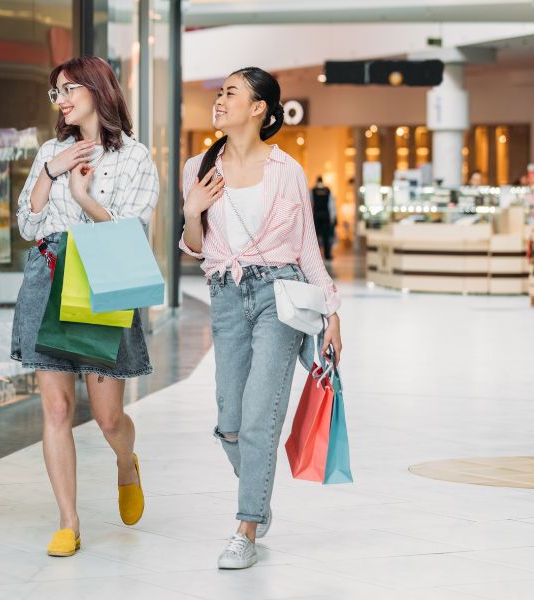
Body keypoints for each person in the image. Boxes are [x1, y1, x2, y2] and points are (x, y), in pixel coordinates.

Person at [180, 67, 342, 570]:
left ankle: (245, 528)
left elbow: (305, 247)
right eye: (220, 92)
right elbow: (192, 247)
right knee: (230, 422)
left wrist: (332, 309)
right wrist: (192, 209)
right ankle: (259, 493)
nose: (220, 100)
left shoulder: (286, 170)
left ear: (259, 109)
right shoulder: (199, 167)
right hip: (226, 297)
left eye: (231, 93)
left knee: (258, 418)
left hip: (280, 296)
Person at [12, 56, 159, 557]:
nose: (62, 98)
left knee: (108, 417)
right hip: (49, 275)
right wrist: (51, 172)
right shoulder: (51, 151)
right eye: (56, 91)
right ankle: (68, 521)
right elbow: (27, 228)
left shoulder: (135, 156)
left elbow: (135, 235)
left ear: (99, 88)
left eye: (71, 87)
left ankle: (126, 462)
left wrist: (84, 196)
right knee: (55, 407)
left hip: (103, 279)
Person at [310, 176, 336, 261]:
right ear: (322, 181)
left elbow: (310, 203)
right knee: (326, 236)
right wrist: (332, 216)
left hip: (316, 215)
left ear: (317, 181)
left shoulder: (313, 190)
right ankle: (327, 255)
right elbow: (331, 204)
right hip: (326, 215)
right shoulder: (327, 190)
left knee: (315, 237)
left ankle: (315, 256)